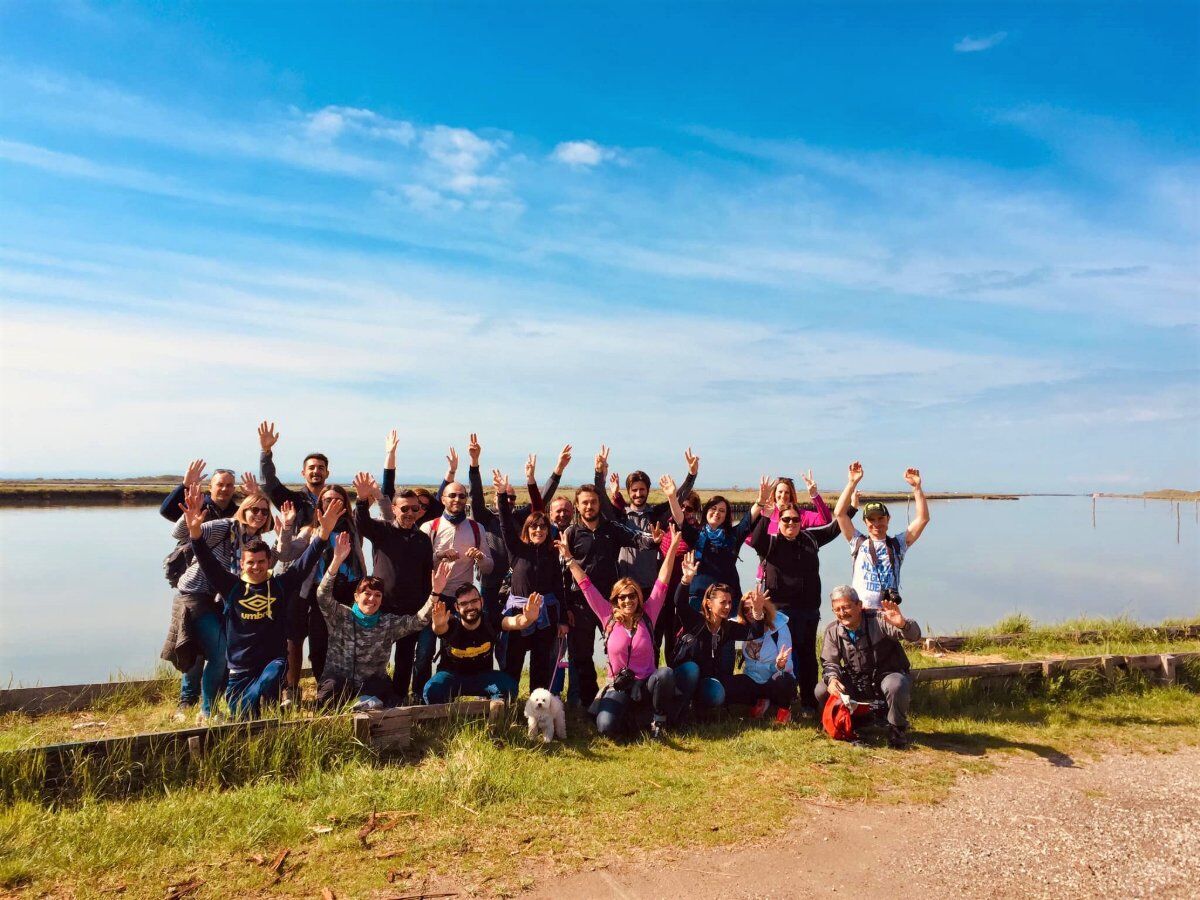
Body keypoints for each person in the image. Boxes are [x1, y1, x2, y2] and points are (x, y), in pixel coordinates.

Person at [182, 485, 342, 718]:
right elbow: (208, 562)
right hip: (239, 669)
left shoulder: (280, 585)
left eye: (261, 562)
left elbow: (304, 563)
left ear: (269, 562)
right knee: (246, 714)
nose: (256, 567)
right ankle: (234, 708)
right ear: (243, 564)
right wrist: (195, 534)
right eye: (250, 563)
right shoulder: (232, 587)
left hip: (271, 666)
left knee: (275, 672)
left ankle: (245, 706)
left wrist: (324, 534)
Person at [558, 525, 685, 739]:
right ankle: (635, 718)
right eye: (622, 597)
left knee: (665, 674)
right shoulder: (607, 616)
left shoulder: (649, 613)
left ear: (638, 598)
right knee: (605, 727)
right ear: (615, 600)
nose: (627, 600)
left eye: (632, 596)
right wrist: (569, 559)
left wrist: (671, 549)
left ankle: (658, 720)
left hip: (646, 684)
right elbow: (586, 585)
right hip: (619, 685)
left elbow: (662, 582)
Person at [163, 477, 274, 721]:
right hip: (195, 596)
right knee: (217, 652)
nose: (259, 514)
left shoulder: (253, 542)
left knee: (211, 651)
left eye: (264, 511)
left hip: (221, 601)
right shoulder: (224, 527)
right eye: (254, 509)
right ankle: (202, 708)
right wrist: (190, 516)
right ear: (244, 509)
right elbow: (182, 532)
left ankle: (203, 704)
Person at [746, 478, 857, 713]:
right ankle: (781, 699)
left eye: (796, 519)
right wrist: (766, 513)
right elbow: (755, 540)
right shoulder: (771, 543)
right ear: (780, 522)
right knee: (782, 655)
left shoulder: (810, 539)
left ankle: (808, 701)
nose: (791, 523)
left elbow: (835, 526)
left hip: (808, 609)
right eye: (786, 519)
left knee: (806, 655)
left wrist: (852, 501)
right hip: (780, 612)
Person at [315, 533, 452, 710]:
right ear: (356, 596)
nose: (372, 599)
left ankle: (364, 705)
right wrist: (337, 561)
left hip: (371, 685)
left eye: (377, 595)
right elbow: (322, 595)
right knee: (328, 696)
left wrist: (435, 593)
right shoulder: (340, 615)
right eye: (367, 594)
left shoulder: (388, 623)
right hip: (340, 683)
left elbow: (418, 621)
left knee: (391, 704)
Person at [562, 482, 659, 707]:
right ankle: (589, 703)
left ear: (599, 504)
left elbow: (636, 538)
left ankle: (625, 696)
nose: (589, 506)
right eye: (584, 502)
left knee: (621, 649)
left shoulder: (612, 528)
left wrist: (653, 540)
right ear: (577, 506)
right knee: (582, 655)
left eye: (593, 502)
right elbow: (563, 574)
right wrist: (565, 607)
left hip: (611, 604)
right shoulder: (571, 533)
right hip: (581, 604)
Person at [276, 484, 367, 698]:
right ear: (320, 504)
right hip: (321, 592)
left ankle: (348, 689)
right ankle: (323, 689)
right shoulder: (311, 531)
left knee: (348, 642)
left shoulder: (354, 528)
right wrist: (287, 527)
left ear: (346, 503)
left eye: (338, 499)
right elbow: (285, 554)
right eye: (327, 500)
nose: (333, 503)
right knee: (319, 642)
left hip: (350, 591)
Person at [352, 472, 435, 703]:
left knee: (406, 658)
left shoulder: (422, 539)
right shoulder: (383, 530)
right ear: (395, 509)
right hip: (384, 607)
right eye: (404, 509)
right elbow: (362, 523)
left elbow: (427, 572)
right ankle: (366, 692)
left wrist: (429, 604)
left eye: (414, 509)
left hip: (411, 610)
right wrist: (361, 500)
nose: (410, 513)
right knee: (374, 655)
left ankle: (401, 697)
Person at [815, 585, 921, 748]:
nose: (843, 613)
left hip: (886, 675)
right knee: (821, 689)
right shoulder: (833, 630)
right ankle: (848, 721)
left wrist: (903, 624)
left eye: (847, 607)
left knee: (896, 685)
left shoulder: (880, 619)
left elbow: (914, 636)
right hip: (858, 680)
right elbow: (830, 662)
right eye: (837, 609)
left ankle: (897, 728)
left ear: (859, 605)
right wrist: (833, 679)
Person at [495, 472, 567, 692]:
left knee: (541, 663)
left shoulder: (552, 554)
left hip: (546, 616)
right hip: (518, 613)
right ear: (527, 530)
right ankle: (508, 701)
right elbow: (506, 523)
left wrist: (563, 619)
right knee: (513, 661)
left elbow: (558, 587)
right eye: (534, 527)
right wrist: (500, 494)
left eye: (543, 527)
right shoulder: (516, 550)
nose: (538, 530)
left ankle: (538, 707)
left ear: (548, 531)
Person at [596, 446, 699, 592]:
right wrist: (599, 473)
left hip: (650, 587)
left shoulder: (656, 515)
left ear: (648, 490)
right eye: (634, 490)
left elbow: (678, 497)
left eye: (642, 489)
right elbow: (601, 496)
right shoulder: (619, 516)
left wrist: (692, 474)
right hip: (623, 587)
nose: (638, 494)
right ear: (629, 492)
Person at [669, 550, 754, 720]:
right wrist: (686, 580)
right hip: (683, 676)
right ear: (708, 603)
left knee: (717, 693)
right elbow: (679, 603)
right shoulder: (696, 621)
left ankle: (699, 709)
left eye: (730, 602)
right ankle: (678, 711)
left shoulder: (726, 627)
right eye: (723, 602)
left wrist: (757, 613)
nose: (728, 607)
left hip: (705, 680)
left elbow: (753, 633)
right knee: (692, 669)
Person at [834, 463, 929, 609]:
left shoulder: (898, 544)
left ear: (888, 519)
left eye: (880, 518)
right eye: (871, 519)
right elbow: (839, 513)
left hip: (888, 613)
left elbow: (923, 518)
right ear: (865, 522)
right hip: (861, 613)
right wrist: (852, 483)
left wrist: (917, 488)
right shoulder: (857, 542)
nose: (876, 523)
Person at [422, 583, 537, 705]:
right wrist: (438, 624)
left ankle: (492, 711)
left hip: (483, 678)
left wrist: (527, 619)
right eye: (464, 603)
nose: (470, 607)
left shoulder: (490, 621)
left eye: (474, 601)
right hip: (451, 676)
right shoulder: (451, 622)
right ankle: (446, 712)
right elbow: (439, 629)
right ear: (456, 607)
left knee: (510, 688)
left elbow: (512, 622)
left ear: (481, 601)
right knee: (432, 691)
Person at [678, 477, 767, 607]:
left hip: (729, 600)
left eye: (722, 510)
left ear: (726, 516)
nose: (716, 513)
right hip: (699, 599)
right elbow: (679, 518)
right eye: (713, 508)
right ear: (706, 511)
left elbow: (748, 519)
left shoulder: (733, 535)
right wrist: (671, 497)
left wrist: (760, 501)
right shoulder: (695, 535)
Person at [726, 590, 797, 724]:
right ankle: (761, 701)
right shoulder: (741, 627)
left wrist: (779, 665)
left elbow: (788, 666)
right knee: (728, 686)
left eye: (754, 608)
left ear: (763, 609)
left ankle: (784, 710)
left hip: (775, 679)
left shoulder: (780, 627)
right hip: (753, 679)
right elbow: (721, 623)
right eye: (745, 609)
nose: (749, 613)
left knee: (784, 680)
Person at [257, 421, 329, 527]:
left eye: (321, 468)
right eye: (311, 468)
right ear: (303, 473)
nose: (316, 471)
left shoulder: (335, 500)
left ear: (327, 473)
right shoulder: (293, 501)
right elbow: (268, 484)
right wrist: (266, 451)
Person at [159, 459, 237, 523]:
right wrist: (185, 485)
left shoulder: (239, 513)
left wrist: (249, 495)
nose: (224, 489)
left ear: (233, 489)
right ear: (210, 487)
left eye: (229, 485)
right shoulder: (195, 507)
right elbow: (166, 512)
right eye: (220, 485)